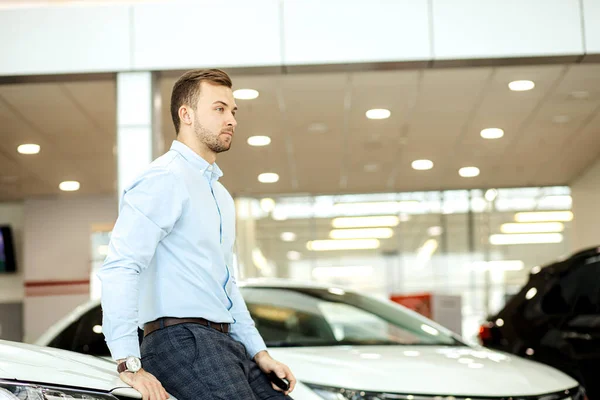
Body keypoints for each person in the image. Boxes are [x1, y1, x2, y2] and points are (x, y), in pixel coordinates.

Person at [97, 69, 296, 400]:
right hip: (179, 340)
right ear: (185, 114)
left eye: (233, 111)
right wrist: (129, 364)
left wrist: (259, 352)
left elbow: (227, 284)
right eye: (219, 109)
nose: (230, 119)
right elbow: (121, 266)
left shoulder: (220, 196)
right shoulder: (163, 178)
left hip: (225, 341)